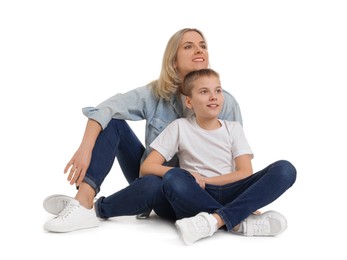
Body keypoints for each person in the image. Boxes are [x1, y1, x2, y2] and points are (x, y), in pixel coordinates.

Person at [43, 28, 243, 232]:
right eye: (188, 46)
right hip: (154, 174)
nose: (198, 50)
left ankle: (93, 209)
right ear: (174, 60)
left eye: (203, 46)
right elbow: (104, 110)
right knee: (114, 122)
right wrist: (85, 149)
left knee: (153, 186)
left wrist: (239, 207)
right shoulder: (156, 93)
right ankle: (83, 199)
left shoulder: (225, 103)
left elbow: (238, 164)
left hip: (196, 193)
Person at [139, 68, 297, 245]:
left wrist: (207, 181)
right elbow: (147, 167)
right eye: (204, 92)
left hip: (231, 190)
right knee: (173, 178)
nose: (213, 96)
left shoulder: (233, 128)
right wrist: (191, 177)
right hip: (197, 193)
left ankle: (215, 221)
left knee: (285, 169)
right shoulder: (180, 127)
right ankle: (240, 221)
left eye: (218, 90)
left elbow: (245, 173)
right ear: (189, 102)